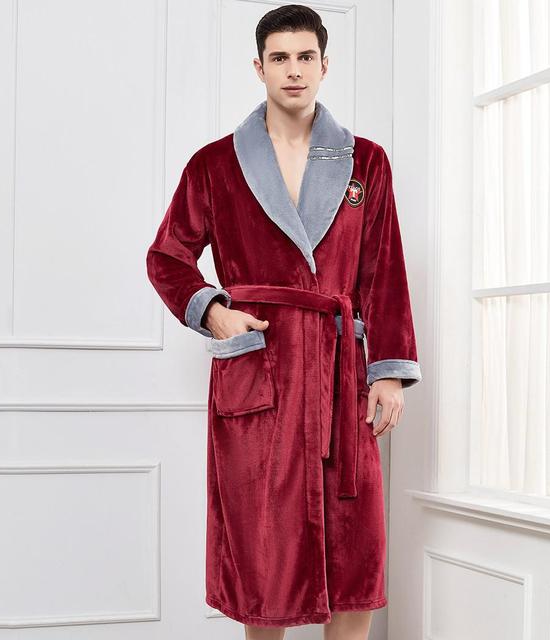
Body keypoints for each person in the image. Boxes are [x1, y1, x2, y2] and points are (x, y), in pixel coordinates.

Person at [146, 4, 422, 639]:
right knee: (262, 559)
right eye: (280, 58)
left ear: (325, 65)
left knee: (354, 551)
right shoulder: (215, 164)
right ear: (259, 67)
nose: (293, 70)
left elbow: (384, 271)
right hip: (259, 373)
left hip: (339, 373)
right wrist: (214, 312)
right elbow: (167, 257)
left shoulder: (366, 162)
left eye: (305, 57)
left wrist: (387, 372)